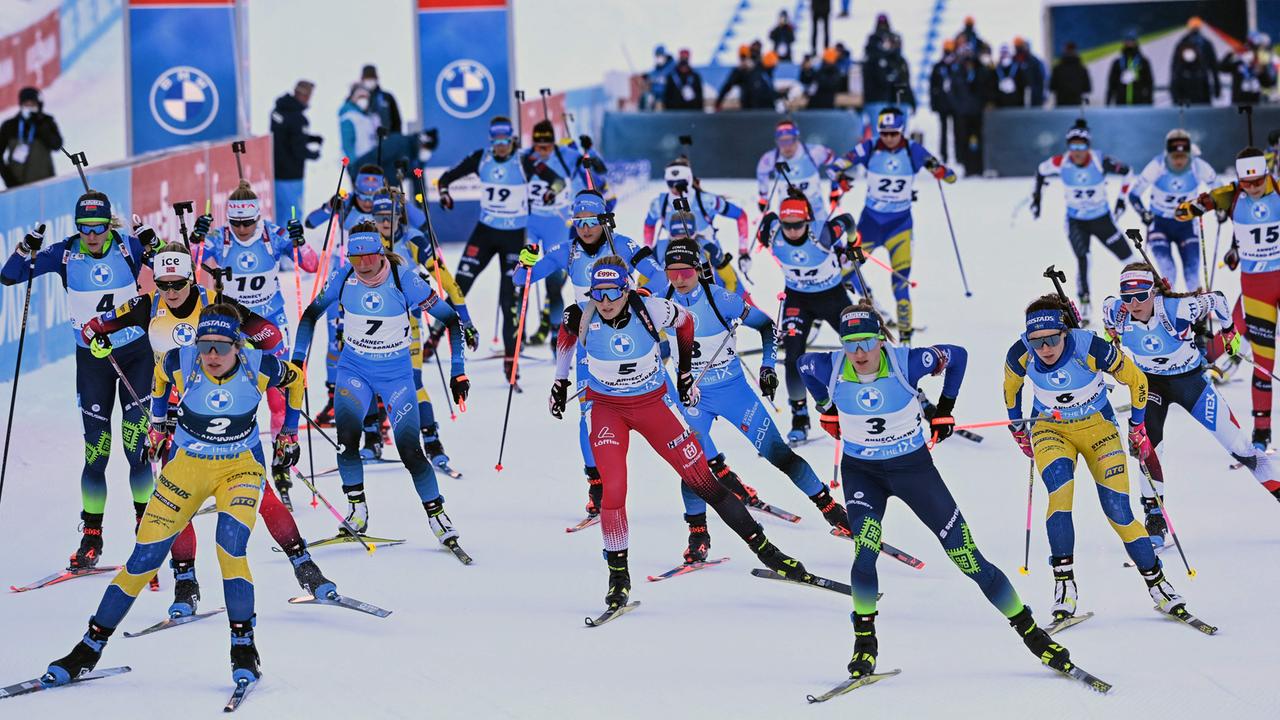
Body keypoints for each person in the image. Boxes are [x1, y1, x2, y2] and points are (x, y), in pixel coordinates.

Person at [801, 302, 1076, 681]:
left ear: (881, 340)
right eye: (850, 344)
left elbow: (958, 357)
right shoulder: (826, 366)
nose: (859, 353)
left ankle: (1032, 634)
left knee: (967, 557)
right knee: (865, 548)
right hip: (862, 473)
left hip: (913, 471)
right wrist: (825, 408)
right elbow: (803, 368)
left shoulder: (907, 362)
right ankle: (864, 643)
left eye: (866, 342)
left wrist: (944, 409)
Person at [40, 303, 305, 689]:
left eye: (221, 347)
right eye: (205, 345)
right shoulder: (181, 359)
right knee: (143, 559)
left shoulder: (259, 365)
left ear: (238, 345)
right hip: (187, 466)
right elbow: (159, 379)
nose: (211, 355)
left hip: (240, 469)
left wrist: (289, 431)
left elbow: (296, 380)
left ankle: (243, 646)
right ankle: (88, 648)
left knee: (229, 548)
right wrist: (160, 422)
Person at [80, 243, 336, 614]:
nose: (169, 292)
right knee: (177, 503)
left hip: (229, 413)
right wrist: (99, 342)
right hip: (175, 420)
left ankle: (304, 565)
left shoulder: (216, 304)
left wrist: (247, 356)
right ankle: (186, 583)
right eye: (163, 284)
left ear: (189, 278)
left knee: (261, 495)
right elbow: (94, 328)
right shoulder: (145, 304)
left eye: (177, 284)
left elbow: (270, 335)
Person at [548, 255, 810, 614]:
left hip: (654, 404)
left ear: (626, 289)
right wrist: (561, 382)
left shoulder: (652, 309)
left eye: (613, 293)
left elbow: (686, 323)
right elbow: (565, 340)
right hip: (606, 408)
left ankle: (768, 552)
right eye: (598, 293)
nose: (605, 302)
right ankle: (618, 578)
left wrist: (684, 374)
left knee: (704, 481)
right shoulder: (579, 313)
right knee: (614, 490)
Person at [1004, 295, 1197, 626]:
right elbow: (1010, 388)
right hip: (1051, 431)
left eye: (1052, 339)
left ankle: (1158, 585)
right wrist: (1017, 426)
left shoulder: (1090, 347)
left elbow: (1137, 380)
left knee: (1119, 513)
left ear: (1065, 332)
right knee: (1060, 499)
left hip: (1099, 430)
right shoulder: (1020, 353)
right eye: (1037, 342)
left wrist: (1138, 426)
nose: (1045, 348)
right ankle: (1064, 587)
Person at [662, 236, 850, 561]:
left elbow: (766, 326)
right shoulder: (658, 304)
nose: (679, 278)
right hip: (693, 398)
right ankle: (698, 533)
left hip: (734, 392)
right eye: (672, 271)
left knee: (779, 455)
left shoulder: (722, 300)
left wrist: (767, 367)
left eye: (686, 271)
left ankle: (830, 508)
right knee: (691, 467)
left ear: (699, 269)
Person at [1, 193, 162, 569]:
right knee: (97, 453)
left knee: (135, 450)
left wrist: (152, 244)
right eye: (84, 228)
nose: (91, 235)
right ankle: (92, 536)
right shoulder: (64, 254)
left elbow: (177, 270)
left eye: (98, 228)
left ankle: (147, 529)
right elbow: (9, 276)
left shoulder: (129, 247)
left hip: (135, 358)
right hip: (93, 363)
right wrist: (27, 247)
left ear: (110, 225)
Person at [293, 223, 471, 553]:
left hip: (396, 375)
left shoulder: (405, 280)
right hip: (354, 370)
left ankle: (438, 515)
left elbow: (450, 320)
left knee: (410, 450)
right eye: (355, 257)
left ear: (380, 253)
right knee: (347, 440)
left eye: (368, 257)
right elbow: (310, 316)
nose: (362, 265)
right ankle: (357, 510)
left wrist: (458, 371)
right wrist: (297, 361)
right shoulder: (343, 277)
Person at [513, 190, 668, 521]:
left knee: (663, 400)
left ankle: (705, 469)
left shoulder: (622, 245)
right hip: (588, 336)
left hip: (628, 332)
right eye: (578, 222)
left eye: (591, 221)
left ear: (604, 220)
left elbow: (660, 275)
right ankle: (596, 487)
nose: (584, 229)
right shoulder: (567, 251)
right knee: (589, 412)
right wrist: (526, 260)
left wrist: (640, 295)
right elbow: (520, 279)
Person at [1102, 263, 1280, 547]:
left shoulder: (1178, 309)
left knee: (1242, 451)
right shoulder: (1116, 311)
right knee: (1146, 445)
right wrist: (1111, 334)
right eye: (1127, 297)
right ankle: (1155, 518)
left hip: (1191, 385)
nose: (1134, 304)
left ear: (1153, 292)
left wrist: (1229, 331)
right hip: (1151, 385)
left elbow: (1219, 299)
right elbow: (1107, 313)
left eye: (1141, 296)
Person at [437, 116, 565, 378]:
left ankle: (511, 360)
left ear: (512, 140)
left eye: (506, 141)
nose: (501, 146)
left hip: (514, 237)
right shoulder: (480, 157)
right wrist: (444, 195)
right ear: (491, 140)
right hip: (484, 234)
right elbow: (445, 178)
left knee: (510, 300)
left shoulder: (524, 161)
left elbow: (558, 181)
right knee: (460, 286)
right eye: (496, 141)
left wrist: (551, 192)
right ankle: (432, 340)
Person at [193, 181, 319, 437]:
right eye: (235, 223)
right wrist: (196, 239)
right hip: (234, 321)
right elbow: (191, 263)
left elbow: (311, 264)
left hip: (269, 317)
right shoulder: (220, 237)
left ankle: (282, 458)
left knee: (278, 394)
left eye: (247, 223)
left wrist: (300, 241)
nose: (241, 229)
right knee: (230, 389)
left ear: (258, 217)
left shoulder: (273, 234)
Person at [1177, 148, 1280, 449]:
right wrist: (1194, 207)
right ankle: (1262, 433)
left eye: (1258, 181)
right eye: (1246, 183)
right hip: (1256, 290)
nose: (1253, 187)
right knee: (1263, 362)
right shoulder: (1232, 194)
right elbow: (1189, 208)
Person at [372, 190, 477, 474]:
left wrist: (464, 320)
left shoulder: (413, 239)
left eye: (390, 217)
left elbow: (447, 281)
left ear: (400, 216)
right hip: (373, 324)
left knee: (412, 381)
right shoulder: (366, 241)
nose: (384, 223)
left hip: (408, 323)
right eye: (379, 217)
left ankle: (432, 441)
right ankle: (372, 438)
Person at [832, 106, 956, 344]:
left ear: (902, 131)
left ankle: (905, 342)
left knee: (901, 284)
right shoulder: (869, 147)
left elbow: (951, 177)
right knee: (844, 269)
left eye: (894, 133)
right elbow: (835, 166)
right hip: (868, 225)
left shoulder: (913, 150)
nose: (888, 138)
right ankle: (871, 304)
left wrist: (939, 170)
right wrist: (840, 179)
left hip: (899, 227)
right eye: (884, 133)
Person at [756, 195, 857, 445]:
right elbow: (767, 218)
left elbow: (848, 220)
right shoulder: (771, 232)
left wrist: (853, 245)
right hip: (798, 301)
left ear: (807, 221)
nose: (791, 230)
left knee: (861, 343)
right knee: (793, 357)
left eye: (797, 224)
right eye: (787, 224)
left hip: (833, 297)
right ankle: (799, 417)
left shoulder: (823, 232)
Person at [302, 164, 386, 424]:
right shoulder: (346, 204)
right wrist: (330, 206)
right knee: (335, 342)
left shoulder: (388, 206)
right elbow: (310, 222)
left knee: (378, 342)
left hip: (376, 284)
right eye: (363, 197)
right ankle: (334, 400)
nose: (368, 203)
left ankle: (380, 403)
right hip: (342, 281)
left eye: (373, 199)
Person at [1030, 120, 1133, 317]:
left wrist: (1121, 200)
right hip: (1076, 222)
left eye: (1082, 145)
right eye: (1073, 146)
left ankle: (1150, 291)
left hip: (1101, 220)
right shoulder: (1061, 162)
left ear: (1088, 146)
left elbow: (1127, 172)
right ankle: (1084, 302)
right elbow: (1040, 171)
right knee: (1084, 258)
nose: (1077, 151)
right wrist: (1037, 197)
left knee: (1128, 258)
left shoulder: (1099, 160)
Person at [520, 120, 606, 344]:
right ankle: (526, 331)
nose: (543, 151)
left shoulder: (568, 157)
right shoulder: (525, 157)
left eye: (547, 146)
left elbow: (599, 171)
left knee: (554, 283)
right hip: (534, 223)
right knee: (526, 274)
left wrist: (590, 150)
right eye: (539, 146)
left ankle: (552, 332)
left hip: (563, 226)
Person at [643, 157, 751, 298]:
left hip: (711, 260)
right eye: (671, 184)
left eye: (680, 184)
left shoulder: (707, 200)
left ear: (688, 179)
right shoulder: (659, 203)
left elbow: (740, 215)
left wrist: (743, 251)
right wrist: (649, 253)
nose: (675, 188)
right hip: (678, 261)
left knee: (741, 301)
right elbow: (649, 225)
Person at [1127, 129, 1217, 291]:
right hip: (1160, 224)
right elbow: (1134, 195)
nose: (1179, 161)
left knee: (1192, 272)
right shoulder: (1157, 166)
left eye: (1183, 156)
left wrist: (1216, 207)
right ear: (1167, 154)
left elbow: (1220, 192)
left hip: (1186, 225)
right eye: (1175, 156)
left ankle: (1199, 312)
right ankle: (1167, 309)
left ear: (1189, 154)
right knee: (1168, 271)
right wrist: (1144, 213)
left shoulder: (1198, 166)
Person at [755, 119, 835, 225]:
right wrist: (763, 198)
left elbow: (836, 163)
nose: (786, 146)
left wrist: (835, 188)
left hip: (815, 209)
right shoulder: (770, 158)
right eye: (782, 142)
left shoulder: (814, 152)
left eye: (789, 140)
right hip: (789, 210)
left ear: (797, 138)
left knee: (824, 237)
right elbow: (761, 172)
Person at [270, 80, 322, 223]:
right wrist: (314, 154)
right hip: (292, 175)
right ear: (303, 95)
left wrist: (310, 138)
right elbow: (297, 149)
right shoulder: (298, 119)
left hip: (276, 172)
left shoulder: (278, 111)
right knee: (293, 213)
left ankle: (278, 243)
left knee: (279, 213)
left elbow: (286, 137)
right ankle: (292, 245)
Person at [1, 86, 62, 188]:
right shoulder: (9, 126)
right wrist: (8, 178)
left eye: (33, 104)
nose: (29, 107)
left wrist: (41, 126)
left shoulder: (47, 121)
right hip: (17, 185)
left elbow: (57, 145)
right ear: (21, 105)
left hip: (46, 183)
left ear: (39, 105)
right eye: (26, 104)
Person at [862, 32, 915, 140]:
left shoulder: (901, 61)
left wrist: (911, 100)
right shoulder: (881, 59)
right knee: (884, 134)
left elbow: (905, 83)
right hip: (889, 101)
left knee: (898, 134)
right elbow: (885, 80)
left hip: (898, 100)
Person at [950, 48, 993, 176]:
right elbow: (952, 92)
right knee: (964, 140)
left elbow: (987, 89)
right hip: (963, 113)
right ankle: (967, 167)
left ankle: (979, 167)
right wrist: (958, 107)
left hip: (978, 112)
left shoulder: (982, 72)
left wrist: (984, 104)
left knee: (979, 139)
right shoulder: (957, 73)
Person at [1221, 33, 1277, 106]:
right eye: (1249, 47)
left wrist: (1262, 72)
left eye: (1255, 48)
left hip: (1255, 102)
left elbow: (1268, 84)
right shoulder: (1238, 62)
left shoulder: (1260, 64)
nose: (1251, 51)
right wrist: (1231, 53)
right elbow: (1222, 68)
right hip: (1238, 102)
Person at [1175, 16, 1220, 100]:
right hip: (1190, 85)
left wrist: (1217, 87)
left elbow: (1214, 66)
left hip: (1198, 85)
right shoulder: (1184, 43)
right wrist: (1217, 88)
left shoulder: (1184, 43)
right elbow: (1214, 67)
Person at [1105, 31, 1153, 106]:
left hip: (1139, 104)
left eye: (1132, 40)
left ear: (1136, 42)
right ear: (1123, 42)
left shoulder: (1143, 62)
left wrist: (1149, 102)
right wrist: (1107, 103)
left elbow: (1149, 84)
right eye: (1127, 40)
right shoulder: (1117, 63)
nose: (1129, 43)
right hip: (1121, 104)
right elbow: (1111, 85)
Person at [339, 83, 381, 169]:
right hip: (359, 165)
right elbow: (347, 144)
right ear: (353, 98)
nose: (363, 100)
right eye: (360, 96)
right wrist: (355, 165)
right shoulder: (349, 117)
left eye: (366, 97)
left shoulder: (371, 117)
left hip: (373, 164)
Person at [930, 40, 957, 162]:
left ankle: (958, 154)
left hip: (956, 103)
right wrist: (934, 103)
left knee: (957, 130)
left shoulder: (957, 66)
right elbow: (932, 86)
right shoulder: (938, 67)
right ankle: (944, 154)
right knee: (944, 130)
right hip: (942, 103)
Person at [1170, 39, 1215, 106]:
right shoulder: (1179, 69)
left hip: (1200, 103)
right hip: (1184, 105)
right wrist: (1177, 101)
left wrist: (1207, 103)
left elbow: (1206, 87)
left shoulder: (1201, 68)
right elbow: (1175, 87)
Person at [360, 64, 402, 135]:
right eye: (367, 79)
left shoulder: (387, 97)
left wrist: (395, 139)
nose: (370, 81)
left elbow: (396, 121)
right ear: (362, 80)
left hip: (386, 139)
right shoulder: (357, 100)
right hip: (366, 142)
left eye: (372, 78)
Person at [1050, 42, 1091, 107]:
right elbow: (1087, 88)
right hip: (1076, 103)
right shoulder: (1082, 69)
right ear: (1076, 51)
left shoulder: (1057, 69)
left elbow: (1052, 87)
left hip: (1061, 103)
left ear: (1065, 50)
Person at [993, 44, 1028, 108]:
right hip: (1000, 104)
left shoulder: (1018, 68)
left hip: (1015, 103)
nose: (1004, 55)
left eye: (1006, 52)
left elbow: (1023, 85)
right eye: (1002, 53)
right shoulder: (995, 69)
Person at [1015, 37, 1048, 107]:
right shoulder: (1016, 60)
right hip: (1020, 95)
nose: (1024, 49)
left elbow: (1042, 78)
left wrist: (1043, 94)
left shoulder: (1035, 61)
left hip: (1034, 94)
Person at [645, 46, 674, 111]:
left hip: (669, 103)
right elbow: (650, 85)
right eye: (657, 56)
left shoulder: (673, 69)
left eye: (660, 55)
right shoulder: (654, 72)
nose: (659, 58)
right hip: (656, 103)